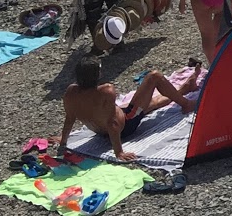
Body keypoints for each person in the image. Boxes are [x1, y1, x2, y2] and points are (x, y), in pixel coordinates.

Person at [56, 58, 194, 163]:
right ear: (98, 74)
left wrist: (63, 141)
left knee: (151, 103)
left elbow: (70, 118)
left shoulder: (71, 93)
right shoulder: (105, 91)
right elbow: (113, 123)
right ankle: (186, 103)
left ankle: (183, 90)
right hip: (126, 124)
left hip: (100, 130)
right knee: (154, 77)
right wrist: (119, 152)